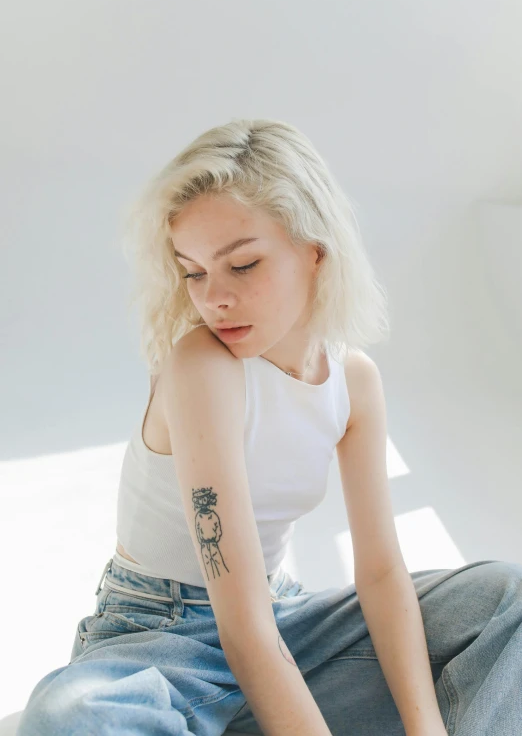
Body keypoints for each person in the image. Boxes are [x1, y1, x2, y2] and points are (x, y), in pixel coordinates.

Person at [17, 119, 522, 736]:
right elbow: (239, 623)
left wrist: (428, 731)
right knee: (69, 718)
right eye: (194, 272)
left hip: (286, 626)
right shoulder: (202, 367)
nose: (214, 298)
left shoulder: (353, 381)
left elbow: (381, 575)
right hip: (158, 642)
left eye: (243, 265)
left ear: (315, 251)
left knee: (506, 598)